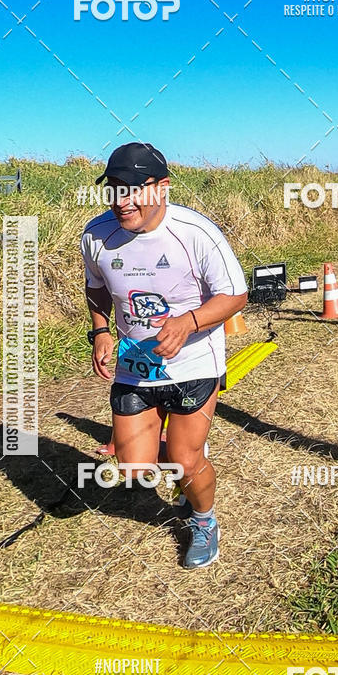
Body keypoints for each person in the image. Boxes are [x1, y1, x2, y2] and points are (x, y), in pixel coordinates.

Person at [80, 142, 248, 569]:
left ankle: (204, 520)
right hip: (135, 367)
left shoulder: (196, 233)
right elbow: (96, 286)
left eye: (133, 189)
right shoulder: (96, 235)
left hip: (193, 363)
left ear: (162, 187)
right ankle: (175, 452)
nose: (122, 201)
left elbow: (234, 295)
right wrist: (101, 330)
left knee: (184, 461)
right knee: (134, 470)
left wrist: (188, 322)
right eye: (114, 189)